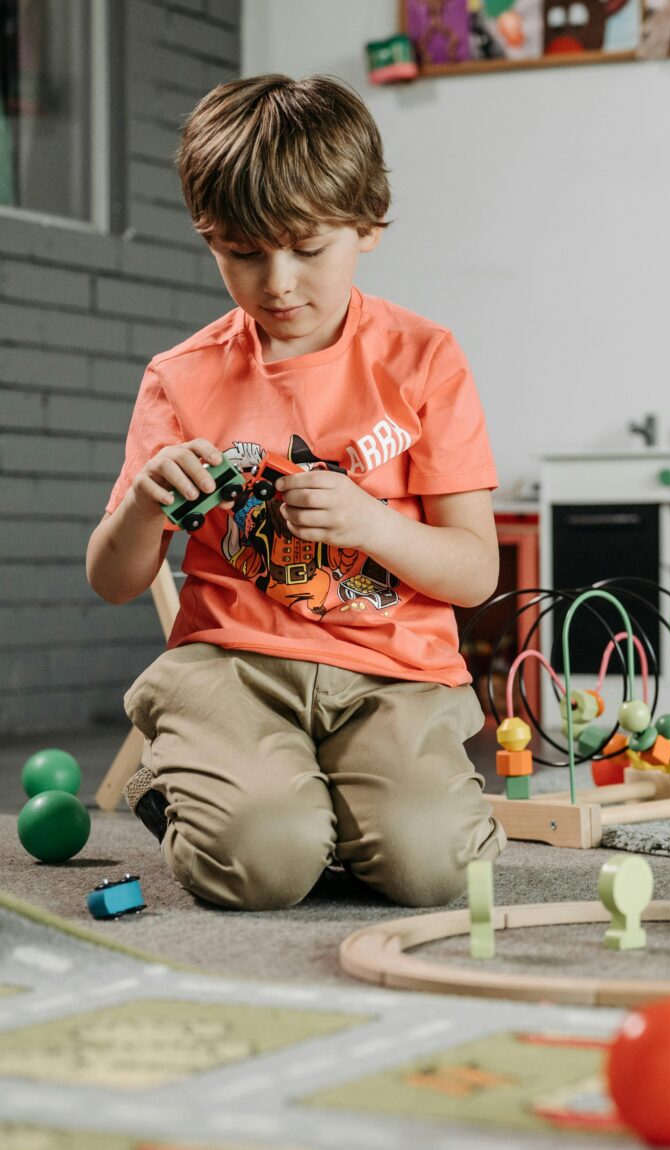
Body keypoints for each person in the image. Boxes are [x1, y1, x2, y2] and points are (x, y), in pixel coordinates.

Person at [86, 74, 505, 912]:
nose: (276, 283)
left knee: (435, 871)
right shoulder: (181, 377)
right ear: (211, 240)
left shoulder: (425, 359)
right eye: (242, 253)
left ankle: (313, 806)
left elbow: (474, 573)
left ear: (368, 226)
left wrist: (373, 524)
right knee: (264, 868)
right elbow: (113, 579)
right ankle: (208, 793)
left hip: (392, 674)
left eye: (307, 249)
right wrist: (141, 504)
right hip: (235, 666)